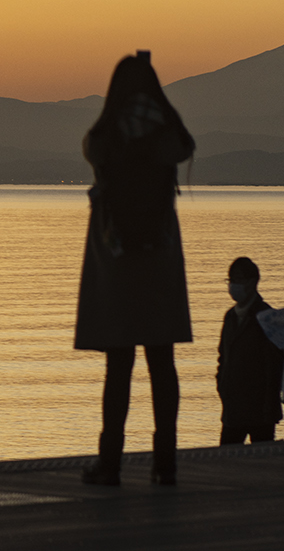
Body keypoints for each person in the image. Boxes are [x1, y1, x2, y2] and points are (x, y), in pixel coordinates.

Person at [72, 50, 196, 487]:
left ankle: (111, 463)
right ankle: (166, 463)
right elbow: (187, 145)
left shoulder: (106, 136)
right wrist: (163, 103)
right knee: (162, 366)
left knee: (118, 368)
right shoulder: (164, 136)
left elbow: (90, 149)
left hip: (119, 266)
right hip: (158, 263)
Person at [215, 257, 284, 445]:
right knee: (227, 461)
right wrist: (222, 384)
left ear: (253, 282)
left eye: (238, 279)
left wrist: (269, 404)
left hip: (260, 409)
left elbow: (277, 363)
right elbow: (223, 357)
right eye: (231, 280)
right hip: (232, 407)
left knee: (261, 462)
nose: (233, 285)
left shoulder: (268, 316)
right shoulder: (230, 317)